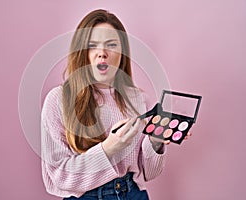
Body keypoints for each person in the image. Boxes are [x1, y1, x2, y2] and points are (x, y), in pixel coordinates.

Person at [41, 9, 190, 200]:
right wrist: (108, 148)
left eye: (111, 45)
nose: (102, 53)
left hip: (134, 194)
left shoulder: (139, 99)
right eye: (92, 45)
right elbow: (59, 177)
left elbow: (148, 173)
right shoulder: (58, 100)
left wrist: (156, 141)